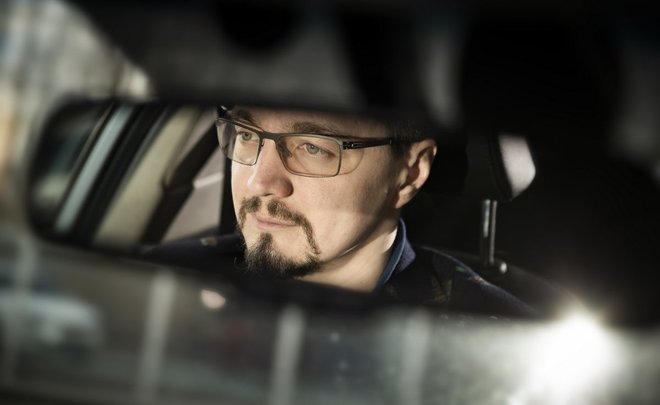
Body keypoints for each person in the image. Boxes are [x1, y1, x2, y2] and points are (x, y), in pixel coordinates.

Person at [146, 106, 534, 316]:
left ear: (410, 172)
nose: (259, 182)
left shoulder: (493, 344)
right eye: (247, 135)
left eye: (314, 147)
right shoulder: (156, 285)